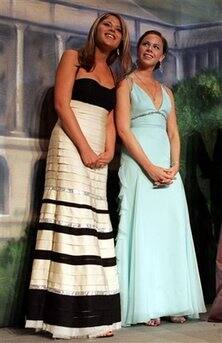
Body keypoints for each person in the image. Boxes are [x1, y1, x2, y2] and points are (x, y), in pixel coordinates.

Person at [25, 12, 131, 339]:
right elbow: (61, 103)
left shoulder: (115, 75)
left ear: (121, 39)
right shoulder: (74, 57)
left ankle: (93, 317)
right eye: (107, 25)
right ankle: (60, 317)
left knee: (92, 226)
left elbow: (112, 119)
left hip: (98, 150)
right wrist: (84, 148)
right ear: (95, 29)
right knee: (70, 222)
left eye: (118, 28)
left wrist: (109, 151)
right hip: (71, 144)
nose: (112, 30)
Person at [115, 30, 206, 327]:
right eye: (146, 44)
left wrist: (174, 165)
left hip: (167, 168)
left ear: (163, 56)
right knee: (143, 230)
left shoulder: (167, 92)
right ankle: (146, 305)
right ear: (138, 48)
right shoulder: (126, 84)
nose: (150, 49)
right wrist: (149, 167)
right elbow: (123, 130)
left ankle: (173, 302)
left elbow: (174, 133)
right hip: (139, 163)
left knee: (169, 232)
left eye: (156, 47)